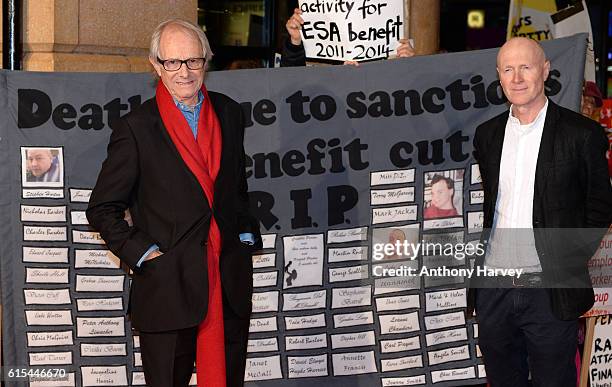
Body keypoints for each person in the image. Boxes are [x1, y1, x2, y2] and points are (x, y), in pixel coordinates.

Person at [86, 19, 261, 387]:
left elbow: (236, 188)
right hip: (166, 287)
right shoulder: (136, 127)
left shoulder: (229, 112)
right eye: (173, 62)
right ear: (156, 65)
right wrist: (145, 252)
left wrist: (243, 237)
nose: (184, 72)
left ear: (206, 62)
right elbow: (102, 207)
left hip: (226, 282)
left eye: (193, 61)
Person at [470, 37, 612, 387]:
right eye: (508, 69)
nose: (517, 78)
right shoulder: (487, 136)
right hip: (494, 289)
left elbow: (599, 208)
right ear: (499, 77)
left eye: (526, 67)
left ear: (545, 70)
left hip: (549, 290)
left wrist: (566, 259)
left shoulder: (582, 134)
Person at [281, 8, 415, 67]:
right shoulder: (317, 34)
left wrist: (408, 65)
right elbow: (291, 82)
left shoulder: (389, 28)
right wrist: (295, 42)